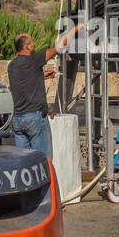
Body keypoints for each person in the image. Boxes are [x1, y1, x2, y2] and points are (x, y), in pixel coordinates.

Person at [7, 24, 79, 159]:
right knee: (43, 161)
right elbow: (59, 47)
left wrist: (41, 75)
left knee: (24, 163)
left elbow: (22, 83)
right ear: (27, 47)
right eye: (32, 41)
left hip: (17, 120)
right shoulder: (33, 60)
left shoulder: (12, 65)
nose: (34, 44)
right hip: (34, 119)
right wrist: (76, 28)